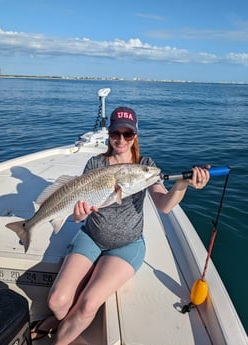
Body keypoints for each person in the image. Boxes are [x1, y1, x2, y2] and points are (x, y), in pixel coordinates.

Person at [31, 106, 210, 344]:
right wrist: (78, 215)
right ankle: (64, 324)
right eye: (116, 133)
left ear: (135, 135)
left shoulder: (144, 166)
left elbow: (164, 205)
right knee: (56, 301)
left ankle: (60, 340)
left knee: (89, 303)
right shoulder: (95, 164)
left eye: (128, 134)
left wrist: (181, 186)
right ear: (109, 134)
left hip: (127, 245)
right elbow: (79, 215)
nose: (121, 139)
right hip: (91, 237)